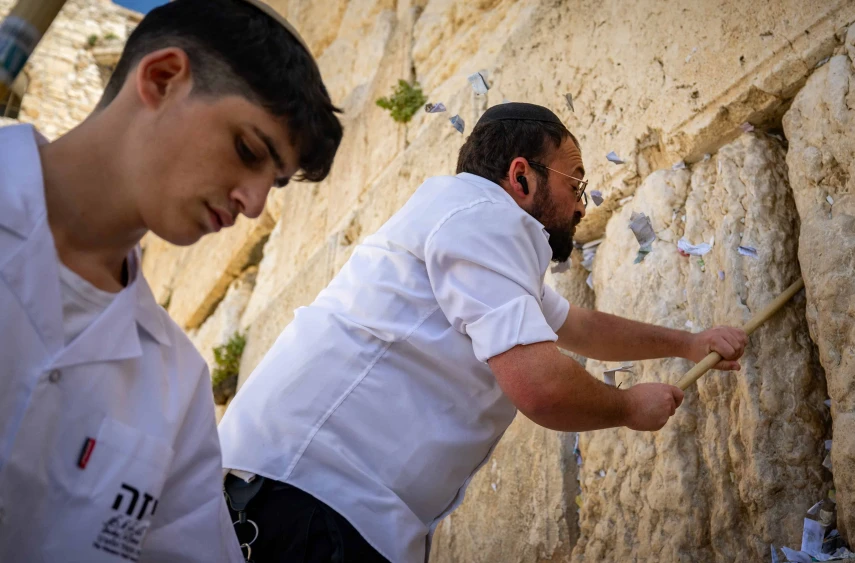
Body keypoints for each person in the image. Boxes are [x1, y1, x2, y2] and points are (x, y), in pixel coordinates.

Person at [218, 103, 747, 562]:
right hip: (311, 498)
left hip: (303, 495)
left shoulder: (464, 228)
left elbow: (577, 326)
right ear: (521, 178)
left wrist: (689, 343)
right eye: (576, 182)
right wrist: (628, 407)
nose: (583, 205)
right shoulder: (485, 218)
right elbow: (540, 385)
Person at [0, 0, 341, 561]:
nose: (253, 204)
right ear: (161, 79)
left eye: (273, 183)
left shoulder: (176, 387)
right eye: (247, 149)